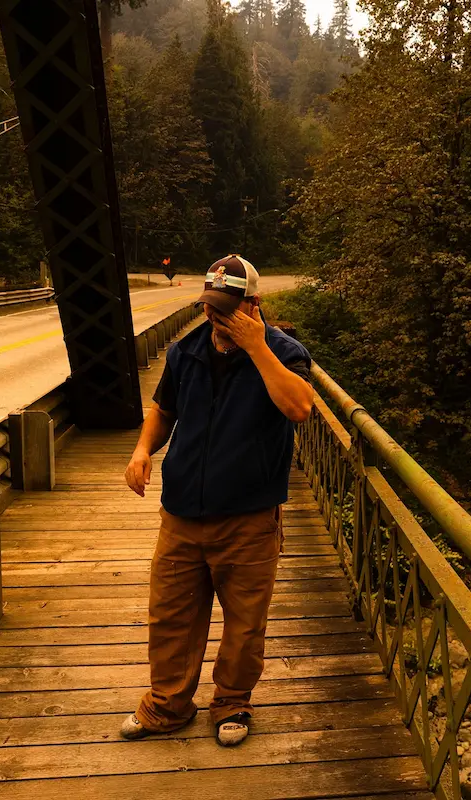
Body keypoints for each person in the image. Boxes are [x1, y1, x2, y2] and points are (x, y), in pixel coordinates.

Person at [121, 255, 314, 747]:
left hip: (249, 515)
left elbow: (299, 408)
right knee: (171, 616)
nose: (216, 318)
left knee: (245, 622)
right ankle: (167, 706)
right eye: (210, 307)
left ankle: (232, 702)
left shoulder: (284, 352)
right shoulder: (186, 352)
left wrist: (257, 349)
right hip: (182, 509)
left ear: (254, 306)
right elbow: (163, 409)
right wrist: (143, 450)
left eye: (228, 309)